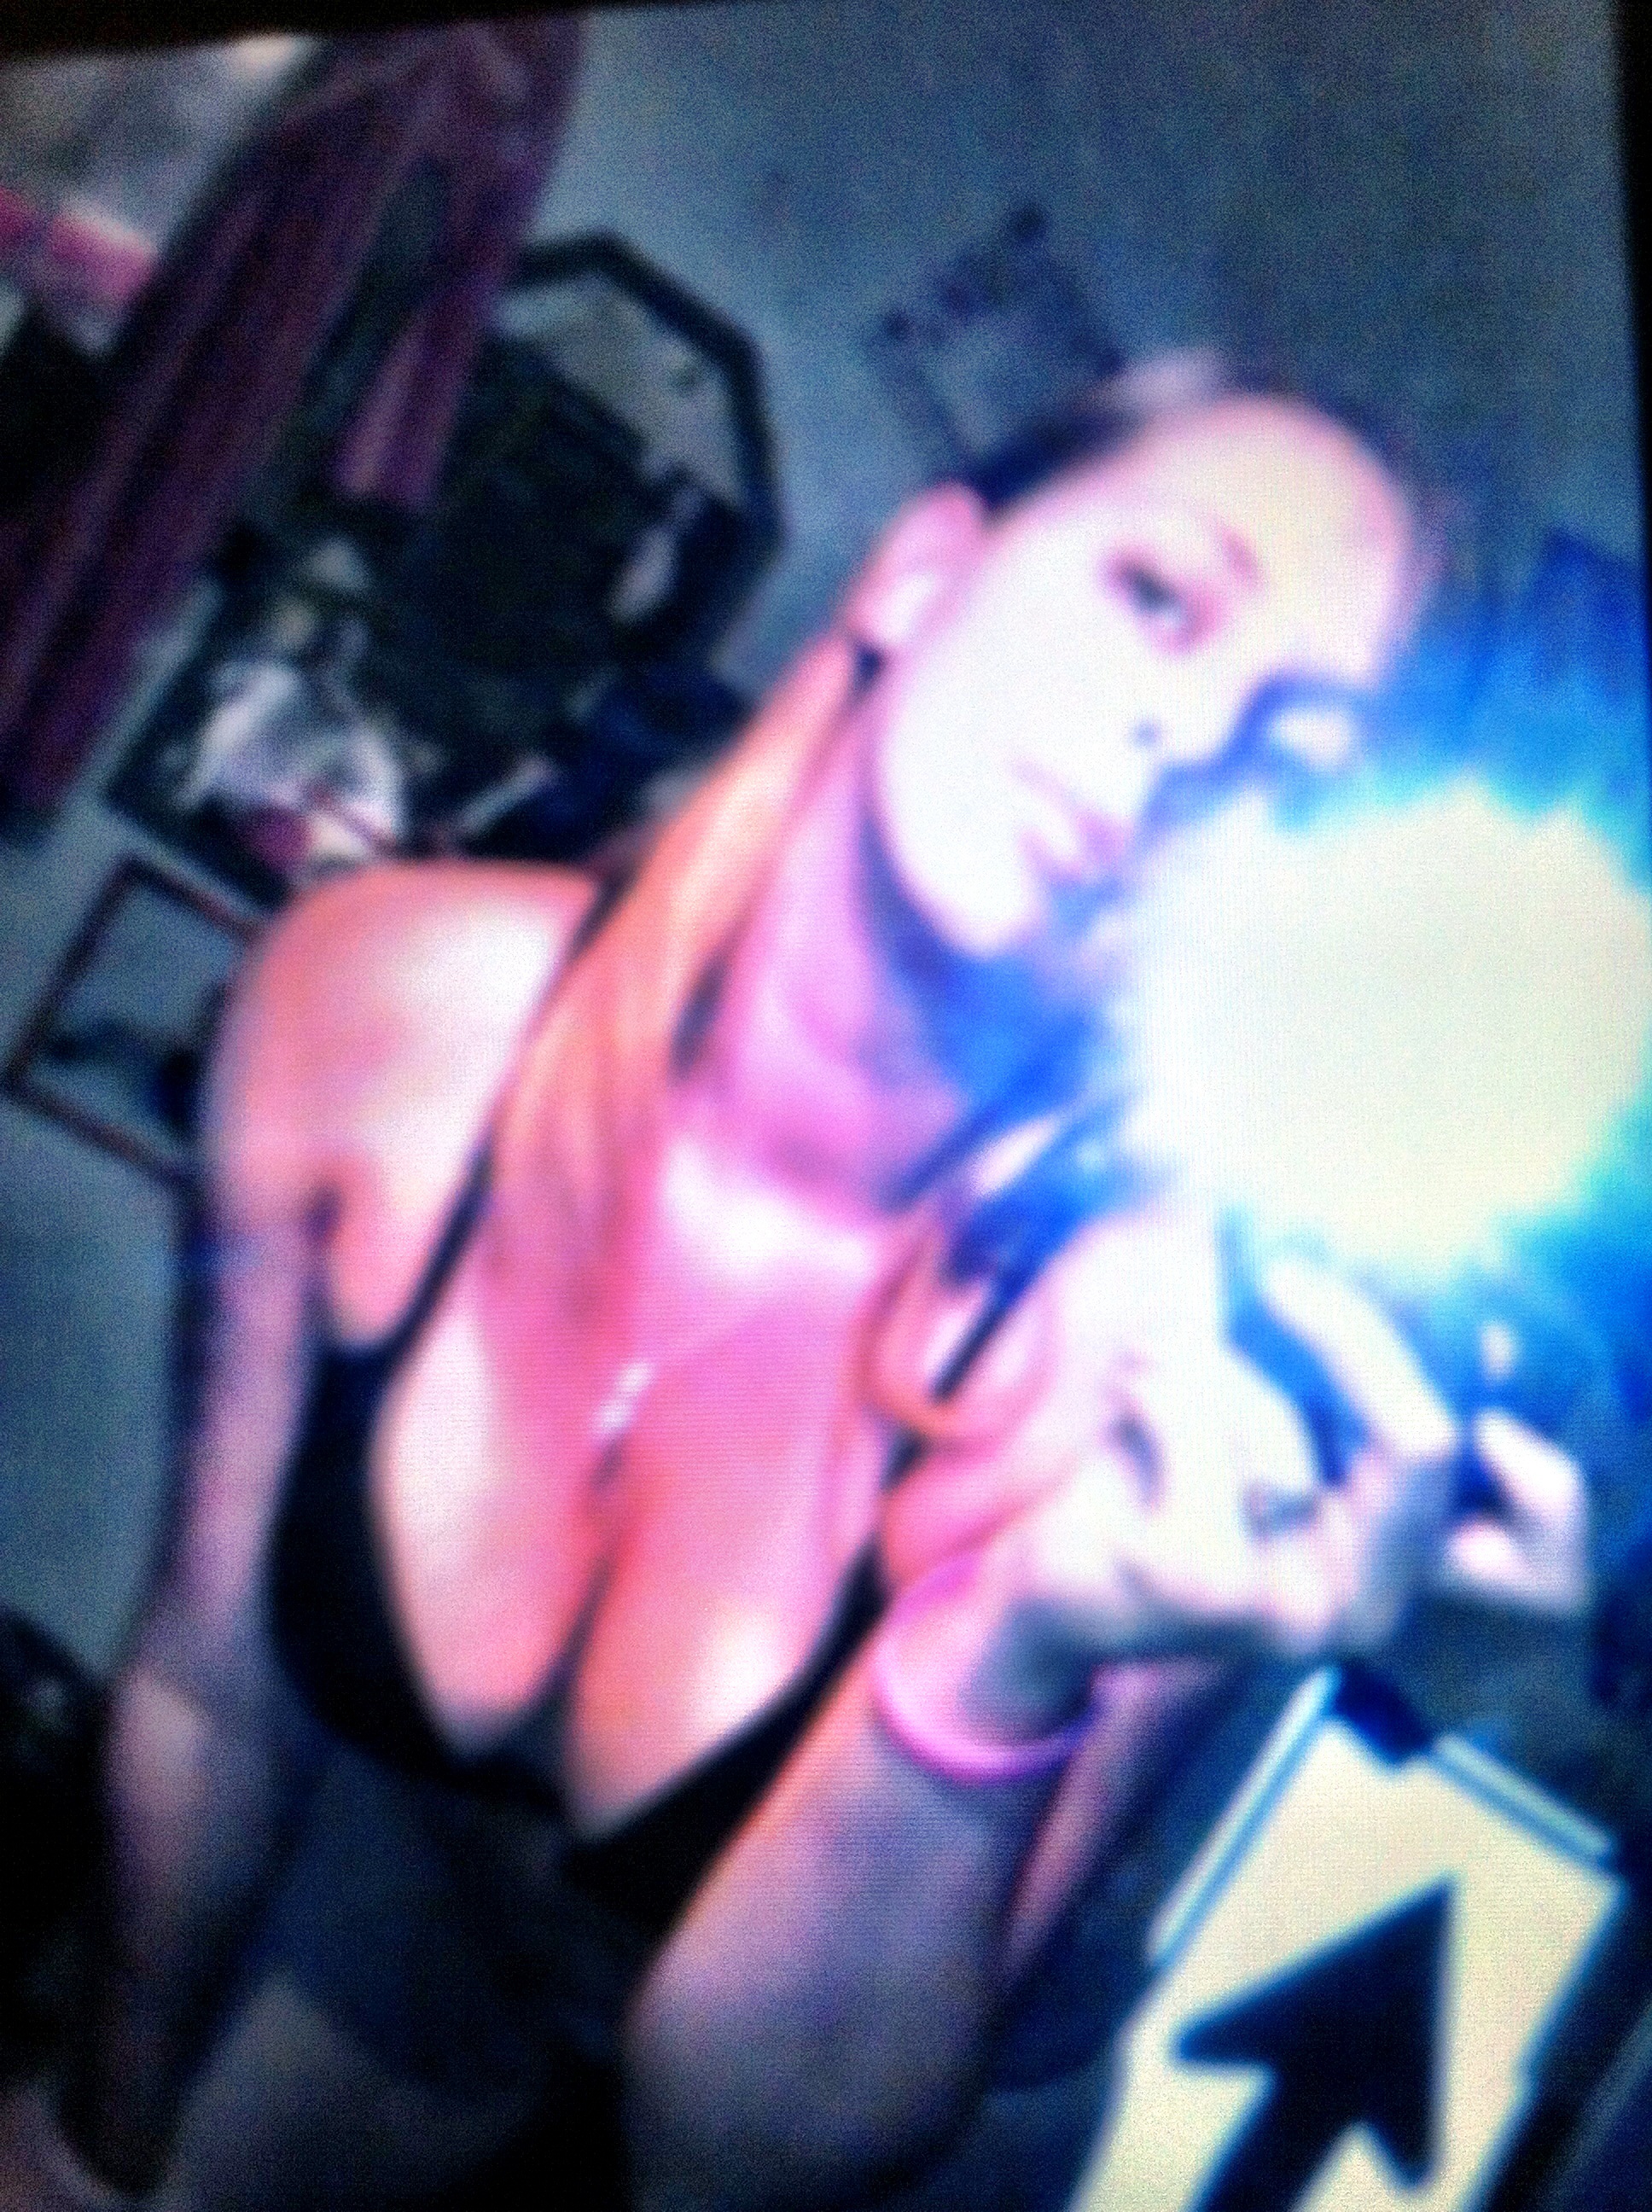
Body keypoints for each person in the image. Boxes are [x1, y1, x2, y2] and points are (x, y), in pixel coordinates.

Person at [0, 370, 1597, 2212]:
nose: (1184, 736)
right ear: (922, 572)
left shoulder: (1151, 1400)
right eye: (1159, 596)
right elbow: (211, 1691)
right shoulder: (384, 1009)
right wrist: (93, 2149)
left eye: (1287, 771)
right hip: (344, 1980)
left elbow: (739, 2164)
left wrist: (1012, 1649)